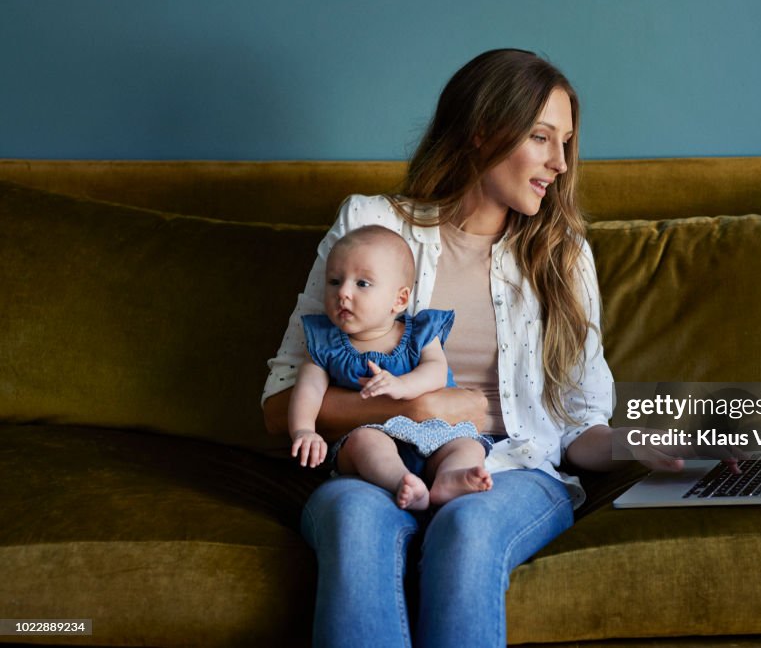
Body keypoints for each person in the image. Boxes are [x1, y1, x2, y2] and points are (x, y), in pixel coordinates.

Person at [262, 48, 688, 648]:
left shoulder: (563, 254)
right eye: (542, 138)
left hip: (510, 467)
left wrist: (647, 444)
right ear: (483, 131)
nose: (561, 162)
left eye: (565, 142)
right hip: (376, 458)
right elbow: (281, 401)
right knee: (355, 522)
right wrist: (415, 410)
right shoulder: (369, 226)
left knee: (468, 527)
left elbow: (576, 427)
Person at [288, 224, 493, 511]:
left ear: (399, 299)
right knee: (364, 442)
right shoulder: (326, 343)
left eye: (362, 284)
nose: (343, 292)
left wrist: (402, 385)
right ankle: (403, 482)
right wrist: (303, 430)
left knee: (468, 445)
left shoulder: (419, 332)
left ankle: (449, 478)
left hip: (434, 434)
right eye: (334, 281)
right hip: (372, 435)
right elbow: (308, 388)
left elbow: (436, 370)